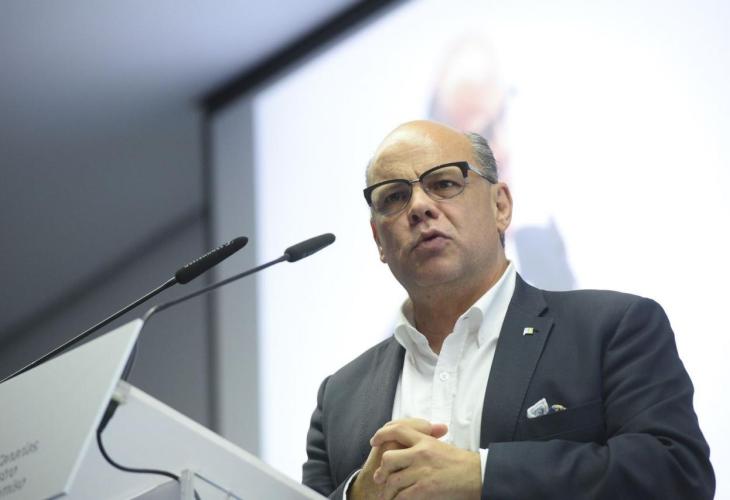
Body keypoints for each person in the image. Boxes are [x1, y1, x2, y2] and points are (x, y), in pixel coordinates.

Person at [302, 120, 714, 499]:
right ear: (378, 239)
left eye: (444, 183)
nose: (419, 206)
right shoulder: (340, 396)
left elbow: (677, 474)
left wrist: (484, 475)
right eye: (394, 196)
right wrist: (357, 495)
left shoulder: (610, 329)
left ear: (501, 206)